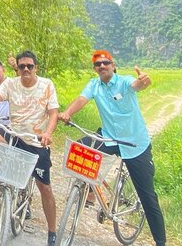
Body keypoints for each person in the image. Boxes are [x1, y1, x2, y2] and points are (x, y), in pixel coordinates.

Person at [58, 50, 166, 246]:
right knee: (81, 148)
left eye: (105, 63)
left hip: (134, 144)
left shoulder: (124, 82)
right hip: (109, 138)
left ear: (113, 65)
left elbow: (137, 85)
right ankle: (90, 191)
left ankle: (161, 242)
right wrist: (67, 112)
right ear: (95, 69)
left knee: (148, 197)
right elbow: (82, 99)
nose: (102, 66)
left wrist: (143, 82)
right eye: (97, 64)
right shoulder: (94, 85)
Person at [0, 50, 59, 246]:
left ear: (36, 68)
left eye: (29, 66)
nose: (26, 69)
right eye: (22, 66)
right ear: (18, 69)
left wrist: (48, 133)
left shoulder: (46, 85)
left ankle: (52, 232)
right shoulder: (10, 84)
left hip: (36, 141)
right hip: (14, 136)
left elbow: (53, 113)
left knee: (45, 188)